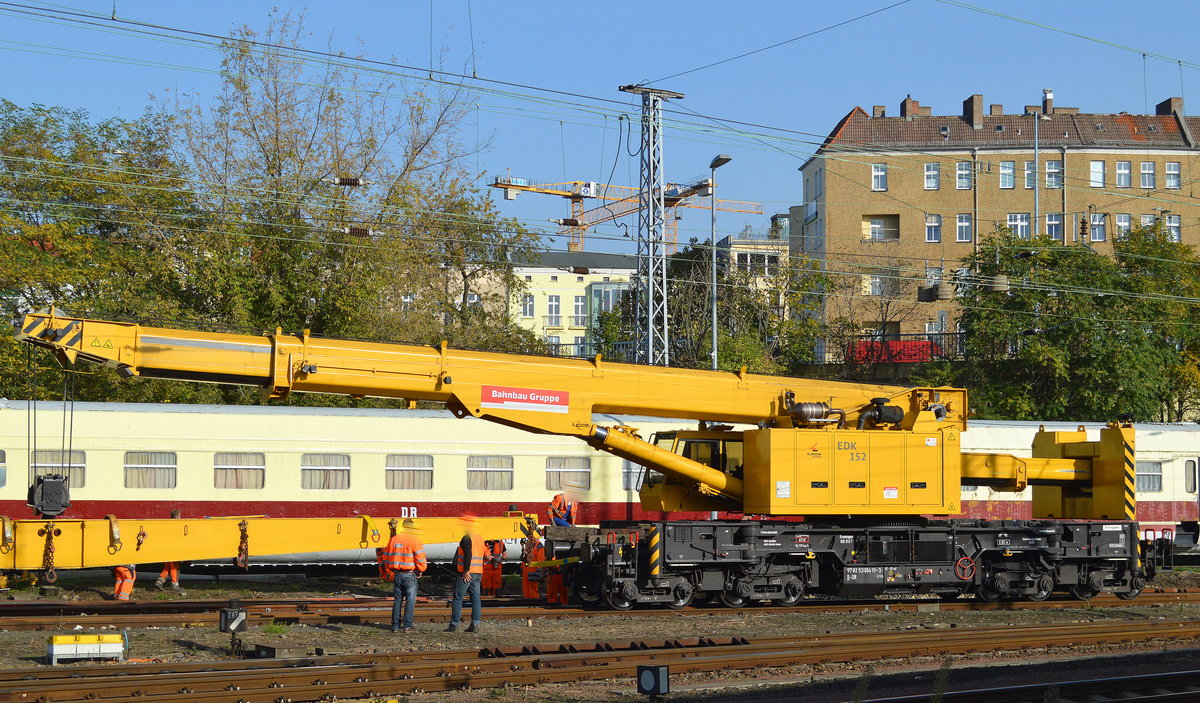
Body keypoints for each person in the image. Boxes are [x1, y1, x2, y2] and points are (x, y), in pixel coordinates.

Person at [381, 518, 426, 632]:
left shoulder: (394, 539)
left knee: (397, 600)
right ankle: (407, 625)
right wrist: (420, 569)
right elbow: (420, 557)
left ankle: (395, 626)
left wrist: (388, 570)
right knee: (410, 600)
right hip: (409, 575)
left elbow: (385, 557)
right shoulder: (415, 539)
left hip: (397, 574)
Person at [447, 515, 484, 632]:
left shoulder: (467, 538)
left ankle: (454, 624)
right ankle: (475, 625)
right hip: (478, 572)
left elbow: (468, 555)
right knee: (476, 599)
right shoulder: (479, 538)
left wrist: (466, 571)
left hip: (468, 573)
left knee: (458, 598)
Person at [156, 509, 183, 591]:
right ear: (176, 516)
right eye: (179, 516)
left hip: (166, 549)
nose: (180, 517)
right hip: (172, 550)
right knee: (175, 567)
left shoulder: (168, 524)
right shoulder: (175, 525)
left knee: (167, 567)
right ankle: (175, 585)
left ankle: (159, 582)